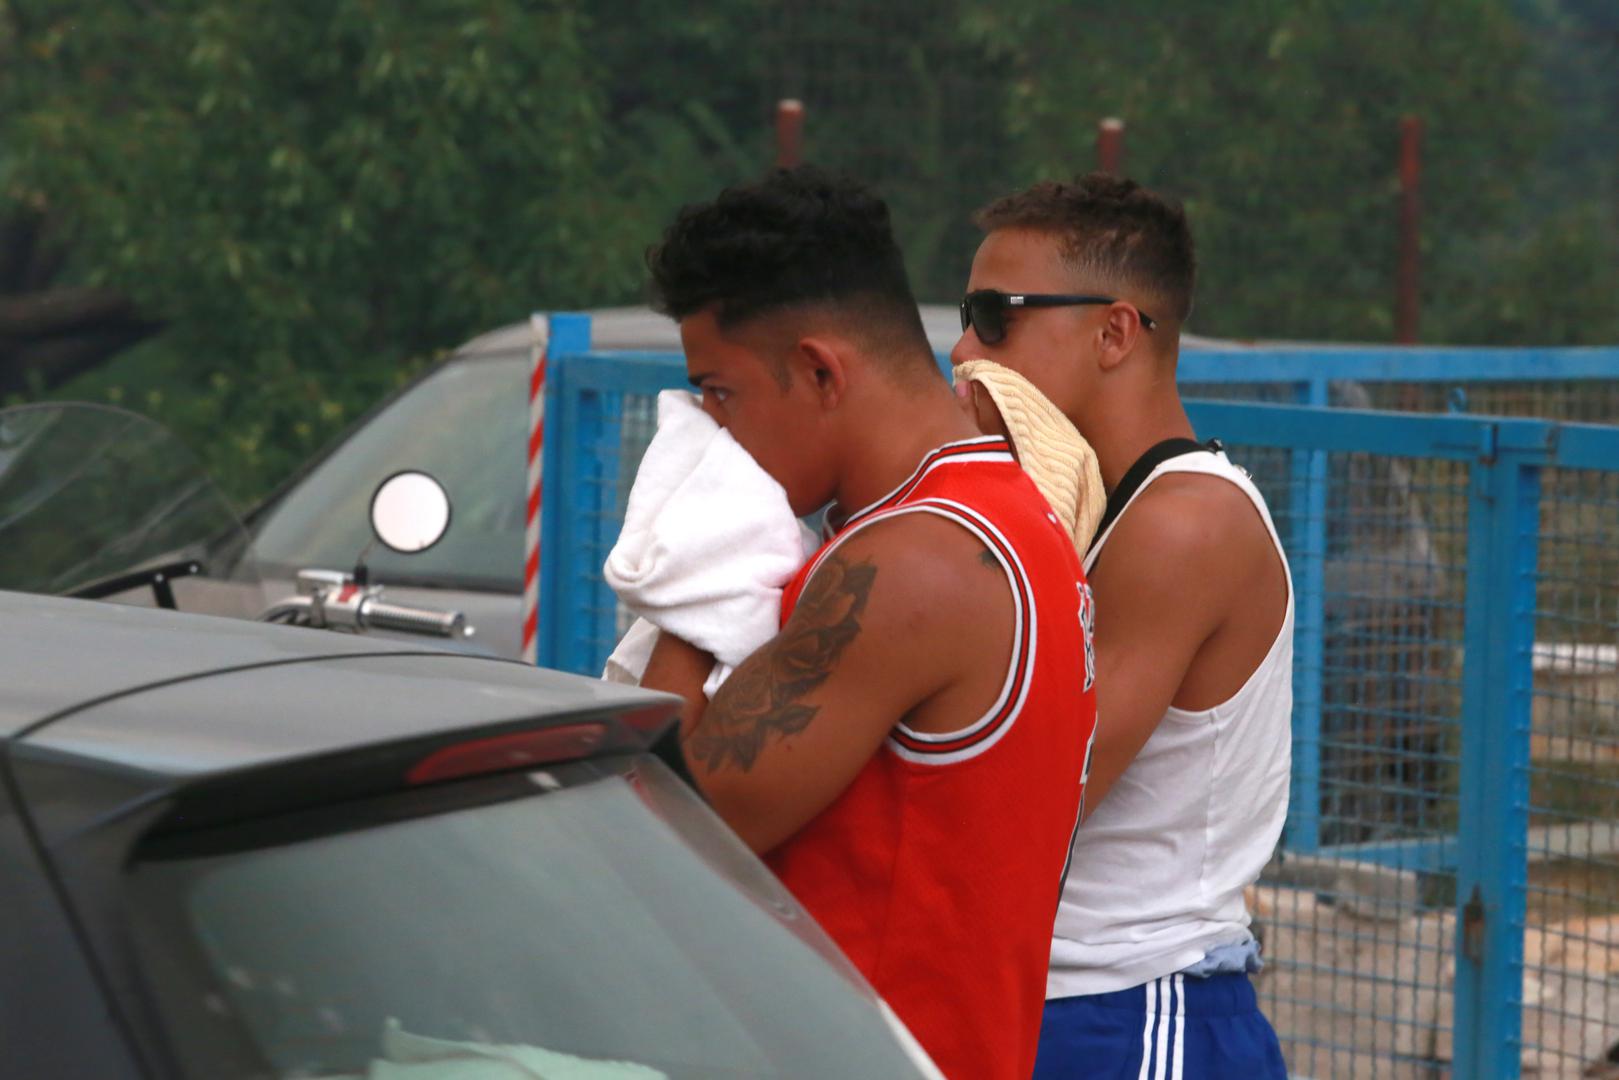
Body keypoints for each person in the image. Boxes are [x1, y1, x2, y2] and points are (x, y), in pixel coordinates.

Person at [637, 166, 1098, 1080]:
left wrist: (693, 574)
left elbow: (665, 828)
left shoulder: (910, 565)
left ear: (819, 370)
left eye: (718, 393)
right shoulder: (1002, 511)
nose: (708, 431)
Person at [950, 173, 1293, 1078]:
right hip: (1067, 998)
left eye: (994, 316)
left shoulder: (1182, 524)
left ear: (1113, 333)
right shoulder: (1100, 513)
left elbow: (1032, 792)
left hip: (1133, 1007)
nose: (963, 347)